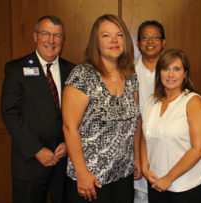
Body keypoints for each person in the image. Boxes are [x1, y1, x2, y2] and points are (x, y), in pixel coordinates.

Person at [62, 14, 141, 203]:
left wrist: (136, 157)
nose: (114, 40)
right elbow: (69, 127)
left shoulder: (130, 76)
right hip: (91, 179)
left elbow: (135, 121)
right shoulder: (83, 75)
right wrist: (82, 173)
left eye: (119, 35)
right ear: (95, 42)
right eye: (106, 35)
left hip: (123, 175)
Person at [1, 15, 75, 203]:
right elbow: (10, 114)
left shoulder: (74, 71)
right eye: (45, 34)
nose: (51, 40)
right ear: (35, 36)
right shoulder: (16, 69)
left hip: (64, 162)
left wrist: (69, 144)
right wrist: (37, 150)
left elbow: (80, 114)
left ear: (63, 40)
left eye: (57, 35)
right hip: (29, 163)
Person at [140, 49, 201, 203]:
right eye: (165, 69)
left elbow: (199, 149)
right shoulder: (152, 101)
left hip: (185, 186)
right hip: (156, 183)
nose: (170, 75)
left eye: (176, 69)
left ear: (185, 74)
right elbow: (145, 137)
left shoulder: (193, 101)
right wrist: (145, 169)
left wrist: (169, 178)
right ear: (159, 73)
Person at [134, 20, 166, 203]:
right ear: (138, 43)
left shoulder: (173, 71)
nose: (150, 41)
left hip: (166, 144)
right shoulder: (128, 71)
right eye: (145, 37)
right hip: (138, 144)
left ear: (163, 42)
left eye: (155, 37)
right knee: (140, 196)